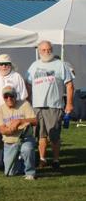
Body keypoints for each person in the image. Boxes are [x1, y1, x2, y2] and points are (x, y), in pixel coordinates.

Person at [26, 40, 74, 170]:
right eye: (44, 50)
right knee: (41, 135)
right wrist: (28, 102)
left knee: (54, 135)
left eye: (49, 50)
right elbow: (28, 84)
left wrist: (69, 104)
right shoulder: (34, 65)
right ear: (39, 51)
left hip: (54, 105)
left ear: (52, 50)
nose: (47, 52)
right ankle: (42, 159)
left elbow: (69, 85)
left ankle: (56, 160)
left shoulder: (60, 65)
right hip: (37, 106)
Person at [0, 85, 37, 180]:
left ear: (16, 96)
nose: (9, 98)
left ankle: (30, 172)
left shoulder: (25, 104)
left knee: (27, 149)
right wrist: (13, 129)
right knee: (10, 173)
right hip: (9, 142)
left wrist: (19, 121)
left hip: (25, 138)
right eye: (6, 96)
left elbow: (35, 121)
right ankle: (22, 162)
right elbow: (2, 130)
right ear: (3, 98)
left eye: (11, 96)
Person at [0, 54, 27, 120]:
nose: (4, 66)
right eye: (1, 64)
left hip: (14, 114)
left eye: (6, 64)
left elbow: (23, 97)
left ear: (10, 65)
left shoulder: (17, 77)